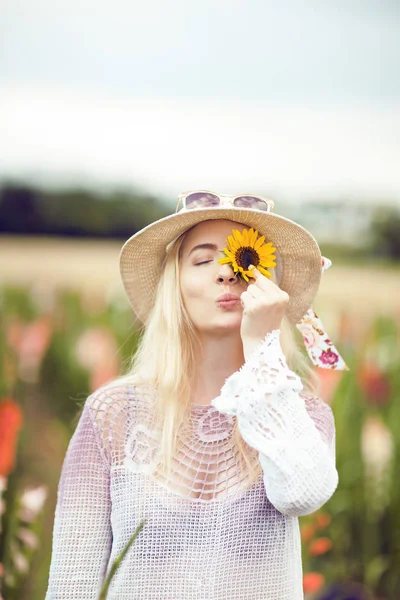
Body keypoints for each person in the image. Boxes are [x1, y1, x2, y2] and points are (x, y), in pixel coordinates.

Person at [45, 191, 347, 600]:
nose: (225, 273)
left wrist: (262, 348)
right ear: (175, 286)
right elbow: (72, 582)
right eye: (203, 260)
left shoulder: (302, 415)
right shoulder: (113, 414)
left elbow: (303, 492)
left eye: (244, 261)